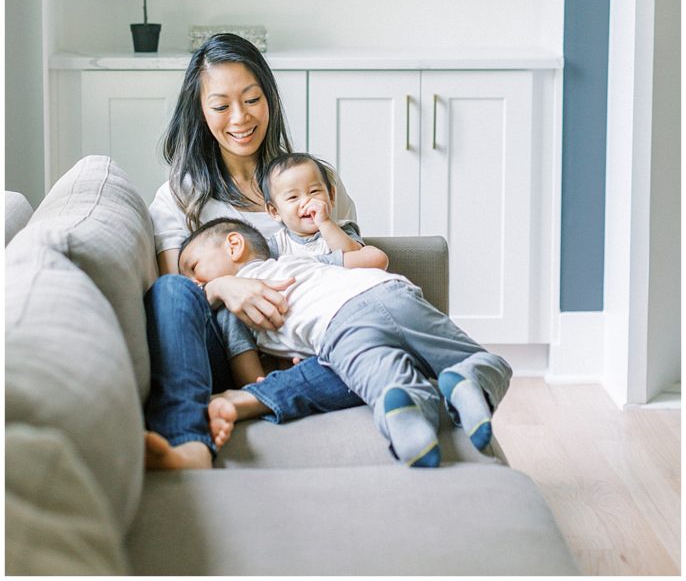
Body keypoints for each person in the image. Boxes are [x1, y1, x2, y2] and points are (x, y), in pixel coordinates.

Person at [144, 33, 365, 471]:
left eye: (251, 99)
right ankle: (189, 444)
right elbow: (178, 293)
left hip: (307, 342)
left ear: (270, 98)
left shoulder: (309, 180)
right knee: (169, 292)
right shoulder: (180, 196)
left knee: (370, 341)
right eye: (221, 105)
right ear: (200, 111)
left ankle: (254, 400)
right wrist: (227, 285)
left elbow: (352, 267)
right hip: (223, 348)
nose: (240, 118)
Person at [178, 217, 513, 468]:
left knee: (382, 383)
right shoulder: (299, 261)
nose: (193, 280)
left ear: (234, 245)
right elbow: (364, 260)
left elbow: (251, 380)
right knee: (471, 356)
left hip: (340, 331)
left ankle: (408, 419)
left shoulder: (234, 309)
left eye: (194, 267)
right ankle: (472, 377)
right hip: (391, 291)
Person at [260, 150, 389, 271]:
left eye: (314, 191)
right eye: (293, 197)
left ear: (331, 196)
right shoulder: (276, 245)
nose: (307, 201)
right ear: (274, 211)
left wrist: (325, 223)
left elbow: (356, 255)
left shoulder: (342, 229)